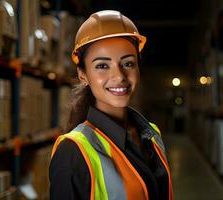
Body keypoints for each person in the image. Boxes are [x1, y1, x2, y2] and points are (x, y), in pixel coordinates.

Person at [49, 10, 173, 200]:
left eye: (128, 63)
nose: (119, 76)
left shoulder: (152, 134)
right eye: (102, 66)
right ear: (83, 74)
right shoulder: (73, 152)